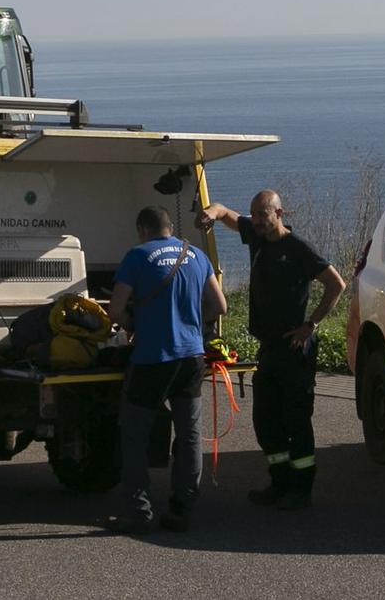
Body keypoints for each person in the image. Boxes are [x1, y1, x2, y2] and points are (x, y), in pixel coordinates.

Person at [198, 190, 344, 510]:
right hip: (269, 347)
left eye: (263, 216)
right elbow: (226, 213)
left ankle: (301, 489)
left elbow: (337, 285)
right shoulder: (257, 236)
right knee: (266, 418)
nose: (258, 223)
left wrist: (311, 325)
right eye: (255, 217)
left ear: (279, 213)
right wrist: (211, 212)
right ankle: (279, 483)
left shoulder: (298, 248)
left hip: (295, 349)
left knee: (296, 419)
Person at [104, 205, 225, 534]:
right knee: (188, 436)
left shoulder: (137, 256)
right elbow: (219, 306)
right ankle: (182, 509)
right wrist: (193, 328)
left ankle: (139, 511)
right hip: (191, 359)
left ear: (142, 229)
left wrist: (132, 324)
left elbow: (115, 310)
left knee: (134, 434)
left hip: (151, 358)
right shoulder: (197, 255)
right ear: (169, 227)